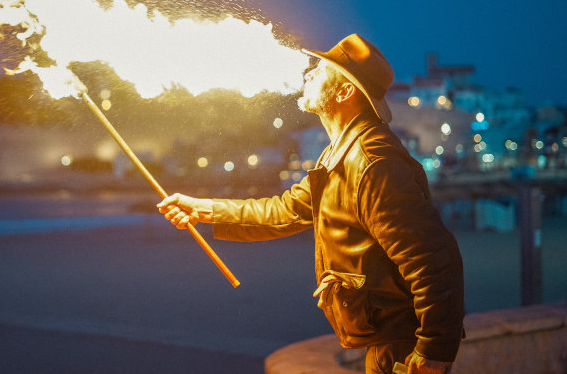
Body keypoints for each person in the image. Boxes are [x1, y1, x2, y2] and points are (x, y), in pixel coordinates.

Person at [158, 34, 464, 374]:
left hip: (403, 350)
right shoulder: (340, 154)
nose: (308, 75)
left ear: (345, 92)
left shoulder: (373, 163)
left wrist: (433, 350)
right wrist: (204, 209)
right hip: (386, 340)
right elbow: (285, 210)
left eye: (320, 70)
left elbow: (433, 261)